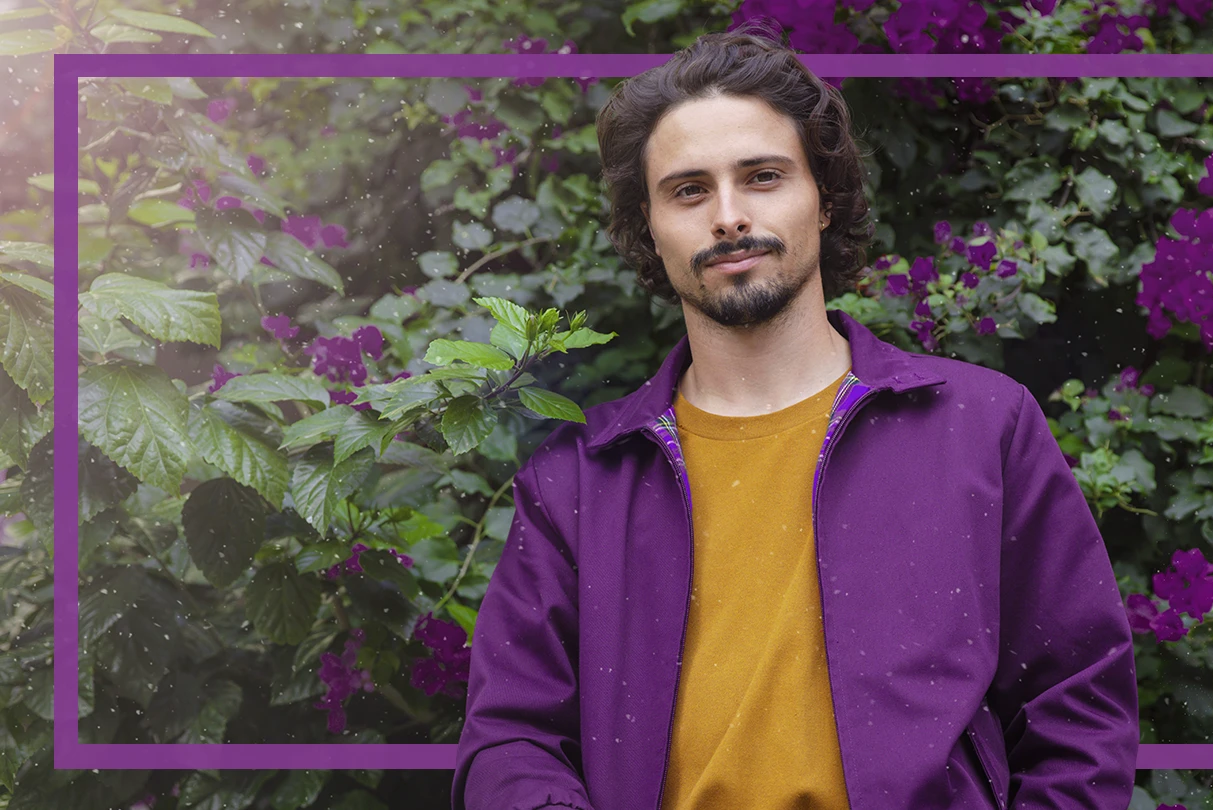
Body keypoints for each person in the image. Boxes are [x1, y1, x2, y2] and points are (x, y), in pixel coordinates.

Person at [452, 19, 1139, 810]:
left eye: (764, 177)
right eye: (688, 190)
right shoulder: (576, 483)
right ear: (650, 228)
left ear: (825, 199)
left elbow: (1079, 709)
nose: (728, 215)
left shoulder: (983, 429)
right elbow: (511, 743)